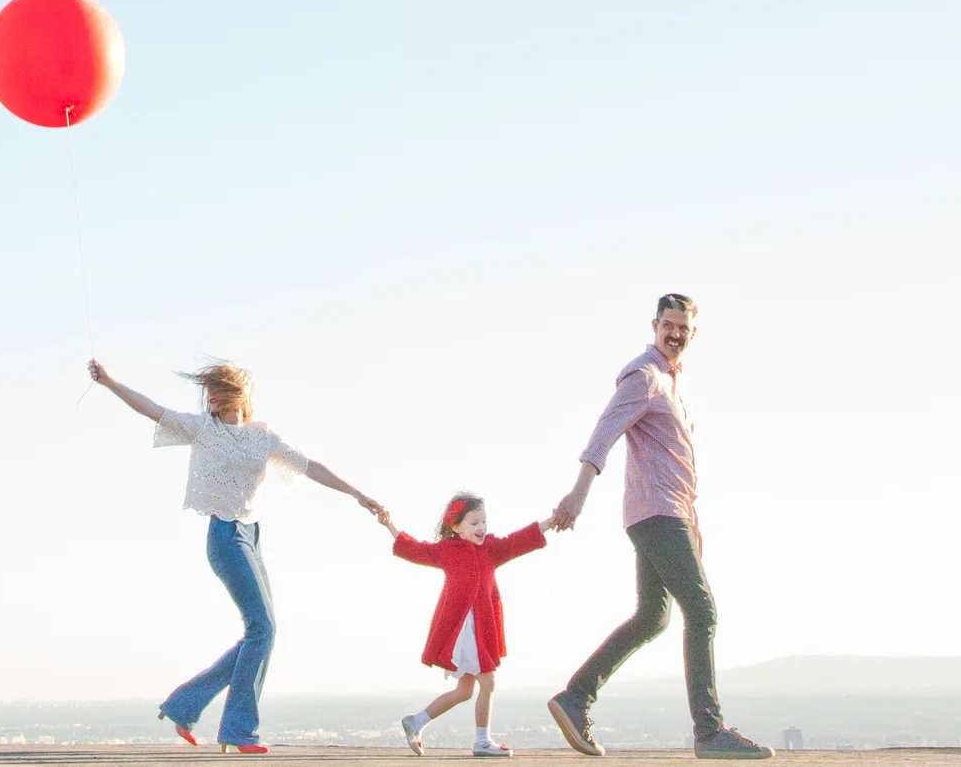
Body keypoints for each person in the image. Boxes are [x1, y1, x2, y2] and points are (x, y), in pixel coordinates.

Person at [90, 356, 386, 754]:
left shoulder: (262, 437)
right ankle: (237, 728)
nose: (209, 397)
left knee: (262, 632)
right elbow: (150, 408)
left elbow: (311, 466)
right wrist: (109, 382)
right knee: (262, 629)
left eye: (218, 390)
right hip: (224, 536)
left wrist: (359, 495)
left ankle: (184, 705)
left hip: (251, 535)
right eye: (207, 390)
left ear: (238, 395)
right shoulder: (201, 429)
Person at [544, 294, 770, 761]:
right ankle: (708, 731)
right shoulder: (644, 376)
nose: (675, 334)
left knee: (654, 617)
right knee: (702, 612)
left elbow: (679, 466)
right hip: (657, 514)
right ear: (654, 325)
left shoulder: (672, 383)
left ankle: (576, 695)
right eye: (668, 325)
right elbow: (603, 433)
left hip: (670, 516)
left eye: (683, 328)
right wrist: (578, 494)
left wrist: (695, 529)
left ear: (692, 333)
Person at [380, 492, 559, 758]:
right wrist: (389, 525)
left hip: (481, 628)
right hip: (464, 630)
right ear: (456, 527)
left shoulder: (492, 548)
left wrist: (551, 521)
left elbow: (518, 541)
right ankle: (482, 742)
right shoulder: (446, 551)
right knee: (488, 683)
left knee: (465, 691)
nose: (481, 527)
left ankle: (415, 722)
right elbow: (415, 549)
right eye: (474, 522)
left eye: (483, 521)